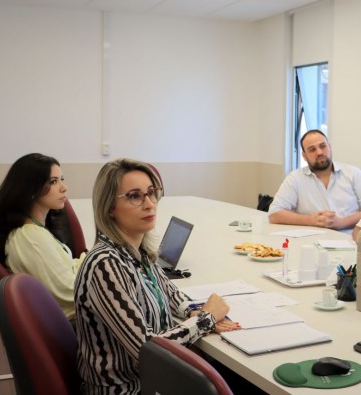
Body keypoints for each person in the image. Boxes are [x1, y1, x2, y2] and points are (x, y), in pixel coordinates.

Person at [75, 158, 240, 395]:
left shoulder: (138, 251)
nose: (150, 204)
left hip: (152, 383)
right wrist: (206, 319)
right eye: (135, 196)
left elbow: (170, 293)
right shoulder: (106, 265)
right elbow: (149, 350)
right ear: (109, 207)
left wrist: (193, 310)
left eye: (152, 193)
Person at [0, 153, 83, 318]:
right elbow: (69, 293)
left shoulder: (33, 230)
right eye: (53, 182)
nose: (64, 187)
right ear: (31, 190)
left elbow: (65, 268)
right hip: (76, 322)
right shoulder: (30, 238)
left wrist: (89, 261)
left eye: (62, 179)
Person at [268, 129, 361, 230]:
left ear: (330, 147)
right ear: (304, 156)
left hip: (351, 240)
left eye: (323, 146)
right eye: (312, 149)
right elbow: (274, 213)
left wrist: (343, 222)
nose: (319, 152)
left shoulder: (353, 173)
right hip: (310, 242)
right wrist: (311, 220)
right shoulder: (295, 178)